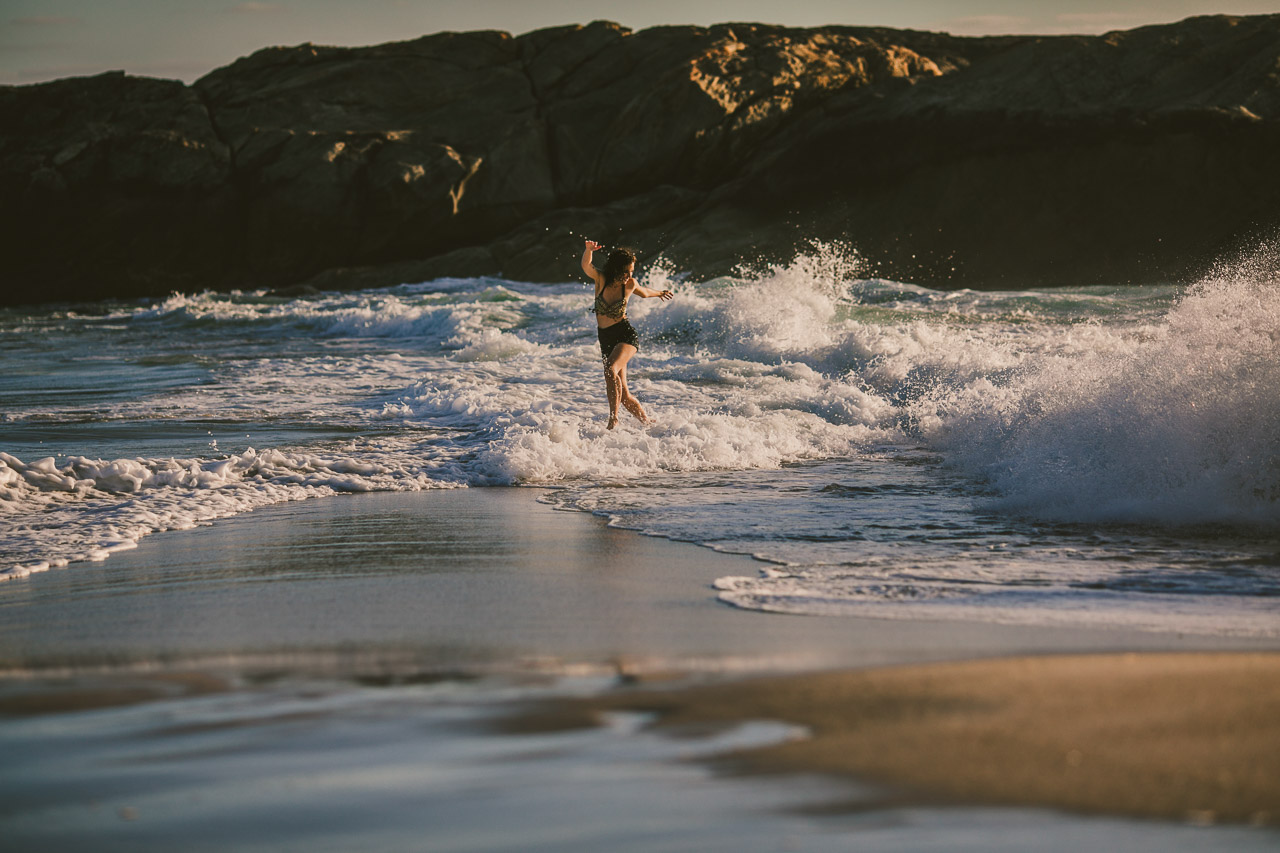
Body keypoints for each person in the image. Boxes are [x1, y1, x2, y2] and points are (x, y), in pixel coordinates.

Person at [581, 239, 673, 429]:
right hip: (605, 339)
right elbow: (586, 266)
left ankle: (613, 418)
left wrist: (660, 293)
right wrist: (589, 250)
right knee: (623, 395)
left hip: (625, 336)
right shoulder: (601, 280)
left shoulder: (629, 284)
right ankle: (648, 424)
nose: (629, 275)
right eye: (626, 271)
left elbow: (645, 292)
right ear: (615, 269)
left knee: (610, 370)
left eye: (631, 271)